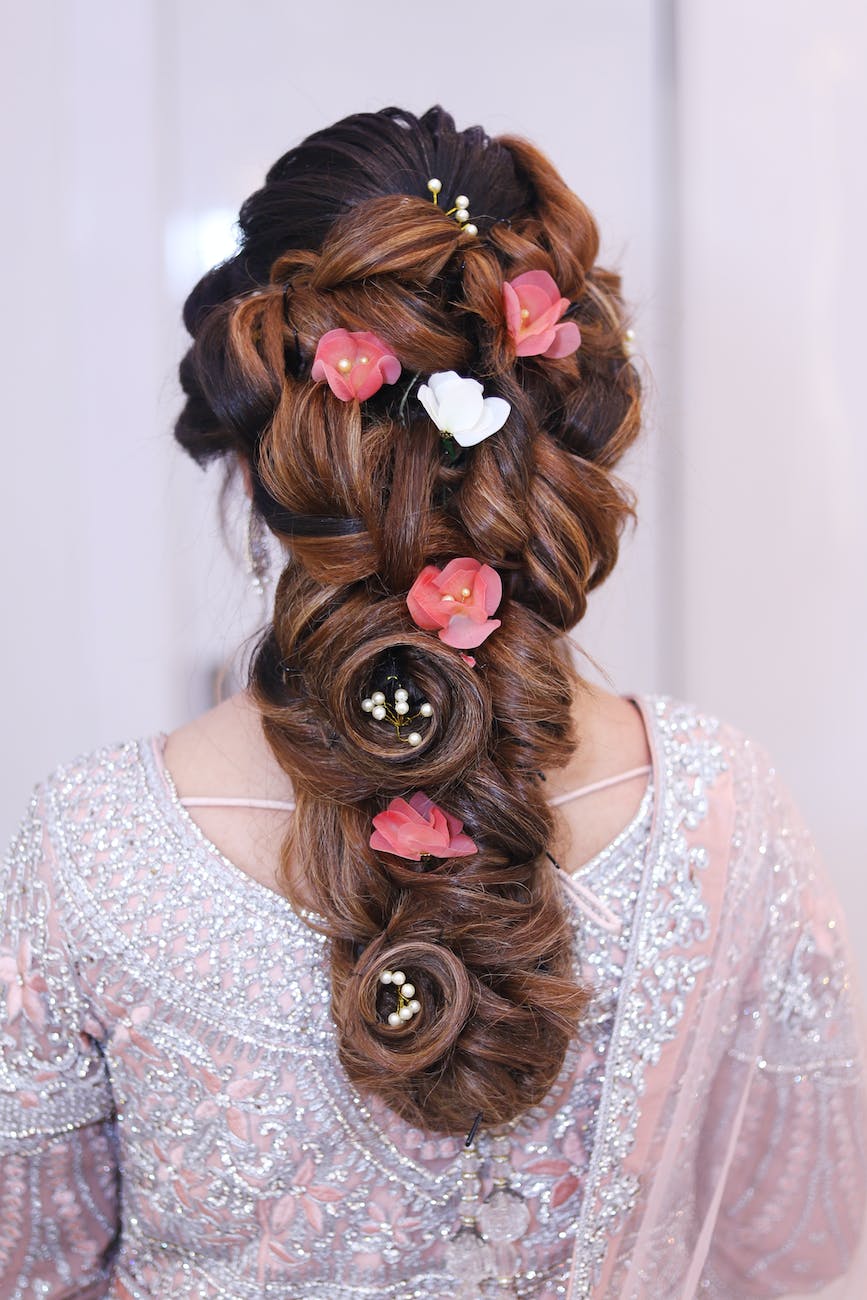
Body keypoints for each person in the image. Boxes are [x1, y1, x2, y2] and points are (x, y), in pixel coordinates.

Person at [1, 105, 865, 1300]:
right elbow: (796, 1259)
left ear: (261, 464)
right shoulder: (721, 807)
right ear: (559, 445)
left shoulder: (88, 850)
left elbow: (32, 1271)